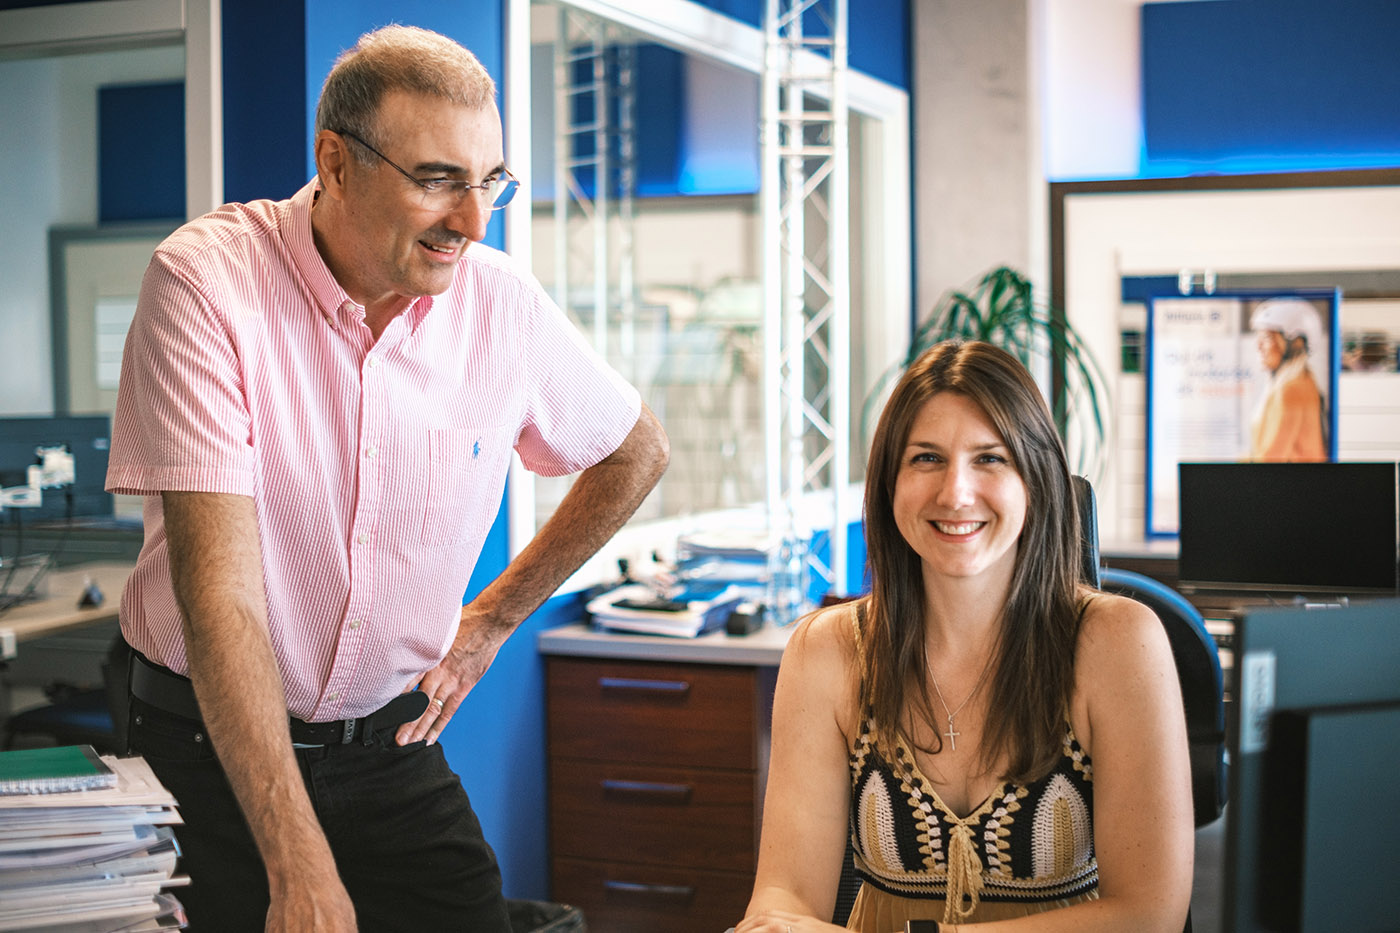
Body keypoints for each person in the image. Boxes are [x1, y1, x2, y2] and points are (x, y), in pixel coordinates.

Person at [105, 25, 668, 933]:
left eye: (489, 181)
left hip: (389, 742)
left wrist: (491, 621)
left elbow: (635, 450)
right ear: (336, 162)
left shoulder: (502, 304)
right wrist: (298, 866)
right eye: (437, 179)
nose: (473, 223)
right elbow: (222, 600)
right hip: (202, 747)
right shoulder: (206, 284)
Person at [736, 340, 1192, 932]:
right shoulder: (828, 650)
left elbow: (1148, 916)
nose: (954, 493)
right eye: (926, 458)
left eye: (990, 458)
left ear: (1035, 480)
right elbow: (785, 898)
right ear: (889, 484)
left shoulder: (1117, 643)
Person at [1248, 297, 1327, 462]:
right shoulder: (1298, 380)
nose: (1258, 346)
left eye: (1267, 338)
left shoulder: (1292, 390)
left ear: (1296, 344)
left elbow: (1271, 458)